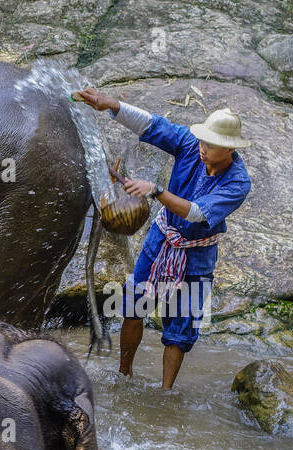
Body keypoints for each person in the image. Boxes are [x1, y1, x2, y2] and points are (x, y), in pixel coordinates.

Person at [76, 89, 251, 389]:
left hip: (196, 255)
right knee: (134, 306)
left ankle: (165, 393)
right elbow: (152, 125)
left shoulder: (238, 182)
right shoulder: (191, 144)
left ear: (230, 149)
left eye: (211, 144)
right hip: (161, 240)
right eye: (203, 140)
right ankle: (124, 375)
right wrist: (112, 105)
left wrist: (155, 190)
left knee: (181, 328)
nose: (203, 147)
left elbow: (196, 213)